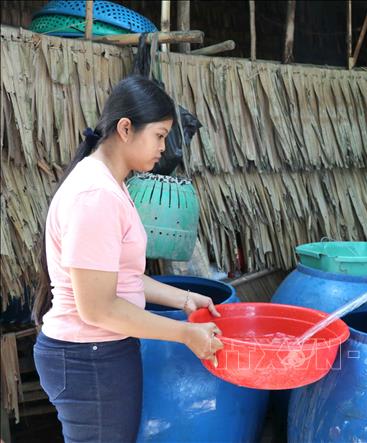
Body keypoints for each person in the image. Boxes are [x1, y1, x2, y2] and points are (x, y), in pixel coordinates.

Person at [31, 75, 223, 443]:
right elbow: (98, 308)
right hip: (88, 356)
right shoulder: (95, 195)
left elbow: (122, 276)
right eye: (160, 136)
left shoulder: (111, 185)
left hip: (97, 352)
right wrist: (185, 334)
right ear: (125, 128)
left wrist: (183, 299)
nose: (164, 149)